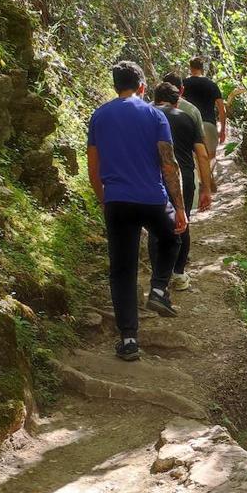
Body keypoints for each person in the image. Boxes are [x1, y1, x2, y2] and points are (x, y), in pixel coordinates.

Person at [87, 61, 188, 361]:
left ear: (116, 86)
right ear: (143, 87)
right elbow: (168, 165)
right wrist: (179, 208)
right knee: (173, 237)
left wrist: (105, 199)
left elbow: (94, 167)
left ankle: (129, 339)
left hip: (117, 200)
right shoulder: (155, 115)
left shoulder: (99, 116)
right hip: (153, 199)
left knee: (122, 271)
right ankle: (158, 289)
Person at [152, 81, 213, 290]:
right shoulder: (186, 118)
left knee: (155, 226)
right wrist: (206, 188)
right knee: (182, 223)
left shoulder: (146, 117)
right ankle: (178, 275)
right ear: (177, 101)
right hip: (185, 178)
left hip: (155, 177)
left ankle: (158, 276)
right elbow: (203, 156)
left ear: (154, 99)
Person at [182, 56, 226, 188]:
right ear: (203, 69)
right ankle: (208, 178)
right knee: (211, 156)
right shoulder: (212, 84)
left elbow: (178, 103)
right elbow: (221, 108)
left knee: (197, 157)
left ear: (190, 68)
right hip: (209, 124)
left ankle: (204, 181)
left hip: (191, 125)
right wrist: (222, 129)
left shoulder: (184, 84)